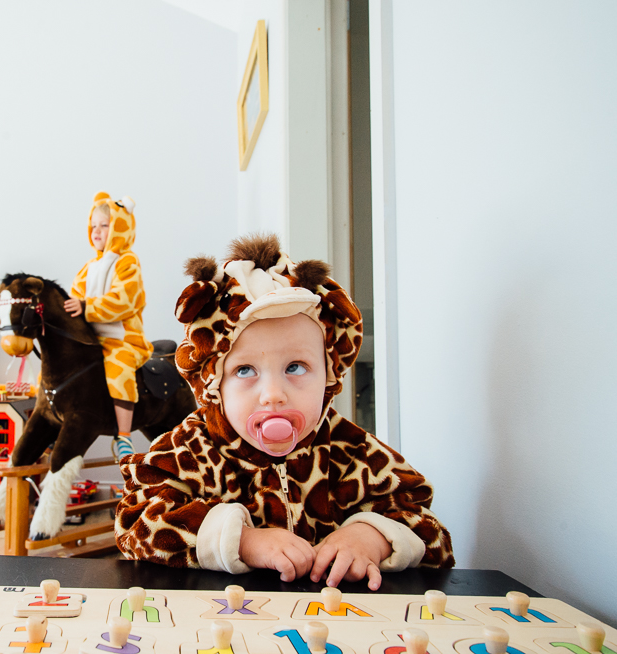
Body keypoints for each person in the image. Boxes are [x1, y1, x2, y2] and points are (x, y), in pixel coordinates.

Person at [115, 233, 455, 589]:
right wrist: (242, 541)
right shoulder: (188, 450)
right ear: (213, 383)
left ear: (330, 374)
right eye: (245, 371)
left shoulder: (349, 451)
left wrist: (372, 537)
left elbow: (432, 533)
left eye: (296, 367)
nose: (273, 395)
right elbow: (135, 524)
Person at [64, 191, 153, 460]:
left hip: (123, 338)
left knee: (119, 368)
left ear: (120, 228)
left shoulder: (128, 262)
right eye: (93, 226)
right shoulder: (88, 267)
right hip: (93, 339)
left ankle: (124, 436)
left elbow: (125, 300)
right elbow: (74, 299)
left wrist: (87, 307)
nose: (97, 231)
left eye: (105, 225)